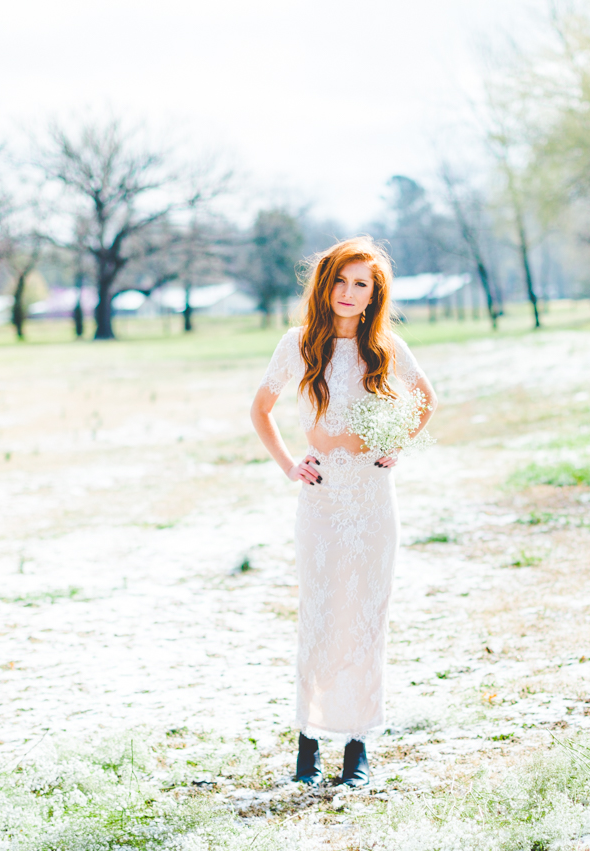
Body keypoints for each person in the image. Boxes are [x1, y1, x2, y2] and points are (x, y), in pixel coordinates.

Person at [249, 237, 438, 787]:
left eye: (362, 284)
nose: (349, 293)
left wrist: (396, 443)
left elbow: (425, 398)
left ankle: (357, 750)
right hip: (323, 497)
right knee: (322, 614)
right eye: (341, 281)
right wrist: (289, 465)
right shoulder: (299, 343)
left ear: (374, 292)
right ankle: (307, 748)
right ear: (325, 284)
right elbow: (261, 409)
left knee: (365, 618)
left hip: (373, 499)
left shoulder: (386, 347)